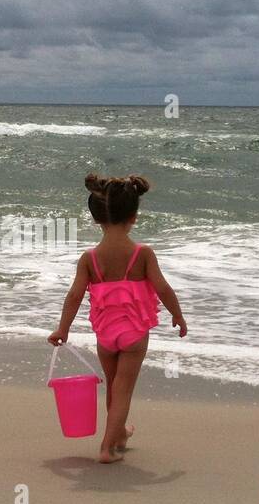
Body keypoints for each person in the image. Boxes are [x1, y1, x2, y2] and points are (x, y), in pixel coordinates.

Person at [49, 173, 187, 462]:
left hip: (105, 335)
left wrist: (63, 328)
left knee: (114, 387)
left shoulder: (90, 258)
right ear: (134, 217)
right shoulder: (142, 254)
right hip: (134, 334)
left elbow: (74, 296)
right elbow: (162, 286)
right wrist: (177, 314)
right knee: (123, 392)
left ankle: (120, 433)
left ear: (97, 218)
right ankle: (106, 448)